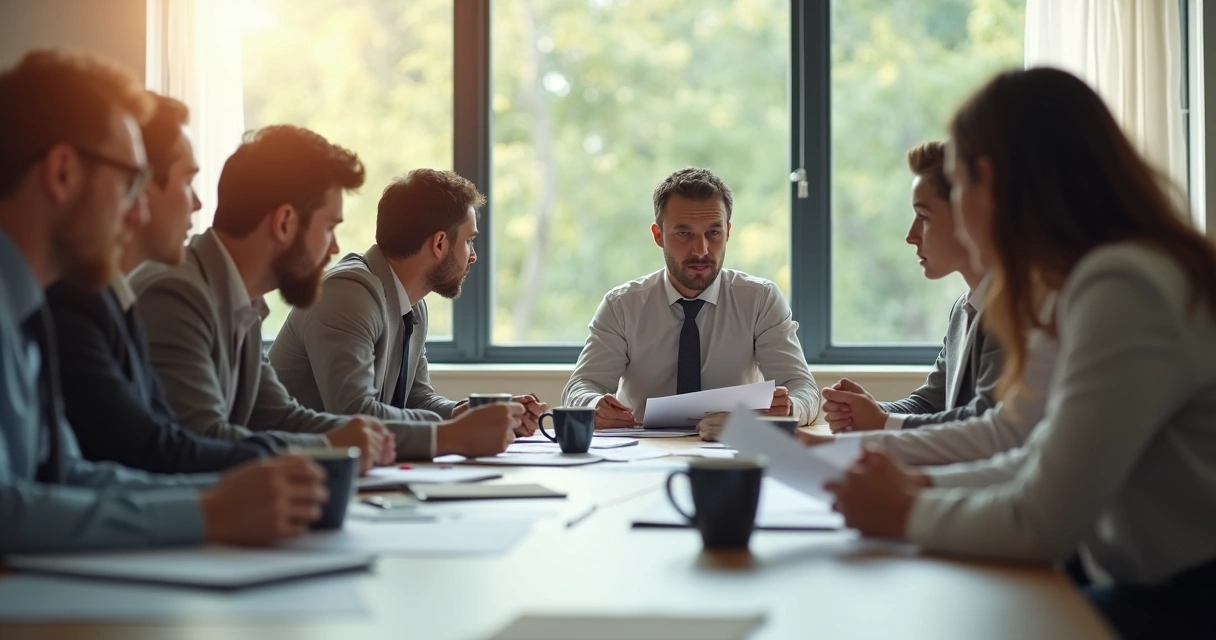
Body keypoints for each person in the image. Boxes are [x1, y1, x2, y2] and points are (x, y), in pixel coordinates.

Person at [825, 67, 1216, 639]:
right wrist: (914, 485)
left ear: (991, 181)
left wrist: (905, 508)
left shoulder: (1123, 284)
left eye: (958, 187)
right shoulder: (1093, 277)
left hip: (1184, 605)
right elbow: (1033, 454)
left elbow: (1043, 518)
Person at [0, 49, 326, 552]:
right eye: (131, 182)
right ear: (63, 172)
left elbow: (68, 477)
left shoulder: (28, 307)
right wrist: (207, 511)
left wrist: (224, 498)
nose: (138, 213)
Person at [130, 126, 520, 463]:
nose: (334, 249)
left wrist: (450, 428)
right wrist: (445, 434)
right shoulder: (179, 292)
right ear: (285, 222)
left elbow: (280, 416)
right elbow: (203, 441)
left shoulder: (238, 301)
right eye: (330, 227)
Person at [46, 93, 284, 473]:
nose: (198, 204)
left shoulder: (115, 302)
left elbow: (162, 436)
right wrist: (293, 462)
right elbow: (150, 451)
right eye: (187, 181)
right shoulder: (74, 304)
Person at [269, 169, 547, 434]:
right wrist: (456, 430)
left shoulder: (413, 305)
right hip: (286, 470)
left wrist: (470, 413)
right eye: (469, 242)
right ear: (439, 244)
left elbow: (418, 399)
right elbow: (355, 414)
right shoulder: (346, 294)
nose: (473, 256)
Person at [562, 167, 819, 435]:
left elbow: (804, 388)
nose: (701, 250)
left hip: (733, 449)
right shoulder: (622, 306)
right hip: (641, 453)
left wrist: (790, 407)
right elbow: (580, 387)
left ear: (728, 232)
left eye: (713, 233)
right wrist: (593, 407)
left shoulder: (760, 301)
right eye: (684, 233)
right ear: (658, 235)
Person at [820, 141, 1002, 434]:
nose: (911, 236)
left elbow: (984, 419)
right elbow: (931, 403)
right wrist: (871, 410)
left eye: (924, 217)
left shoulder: (1013, 309)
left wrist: (881, 422)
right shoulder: (963, 309)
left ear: (966, 215)